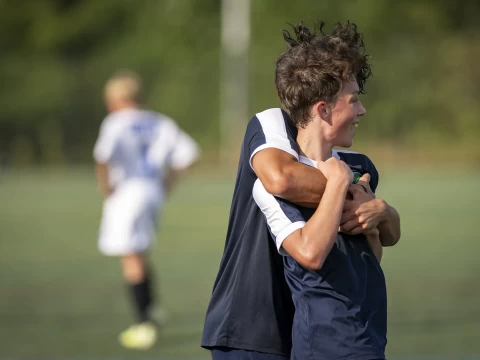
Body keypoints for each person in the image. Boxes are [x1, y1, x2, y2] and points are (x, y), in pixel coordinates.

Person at [201, 21, 400, 360]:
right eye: (354, 100)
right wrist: (344, 187)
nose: (362, 110)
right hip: (250, 324)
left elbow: (371, 252)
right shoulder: (270, 123)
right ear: (322, 107)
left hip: (313, 328)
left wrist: (382, 212)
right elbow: (281, 180)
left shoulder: (359, 166)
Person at [93, 70, 200, 350]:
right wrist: (167, 183)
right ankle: (151, 311)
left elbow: (102, 157)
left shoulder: (115, 122)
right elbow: (188, 153)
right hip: (151, 192)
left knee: (131, 258)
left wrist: (106, 189)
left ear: (116, 98)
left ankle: (144, 323)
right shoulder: (158, 122)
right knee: (138, 252)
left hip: (127, 193)